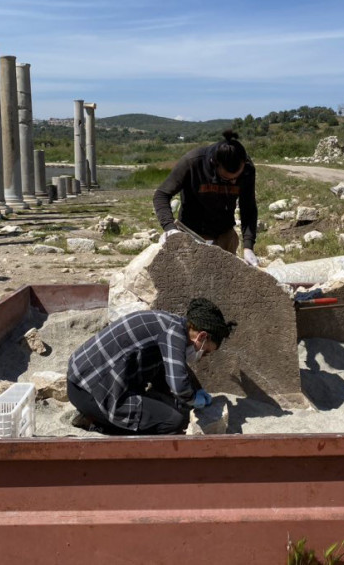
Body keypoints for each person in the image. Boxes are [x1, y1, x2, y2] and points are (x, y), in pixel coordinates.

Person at [66, 298, 236, 435]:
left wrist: (197, 389)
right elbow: (179, 385)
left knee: (169, 404)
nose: (202, 357)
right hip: (92, 390)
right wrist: (193, 399)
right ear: (202, 336)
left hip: (81, 381)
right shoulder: (173, 334)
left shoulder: (170, 324)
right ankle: (99, 425)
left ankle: (97, 417)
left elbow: (172, 368)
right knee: (172, 421)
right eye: (205, 352)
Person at [153, 129, 259, 266]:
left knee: (225, 282)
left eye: (236, 178)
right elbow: (161, 194)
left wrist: (248, 247)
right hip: (191, 235)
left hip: (224, 234)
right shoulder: (193, 162)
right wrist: (170, 229)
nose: (233, 182)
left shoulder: (247, 169)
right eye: (227, 179)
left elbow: (248, 208)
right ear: (214, 164)